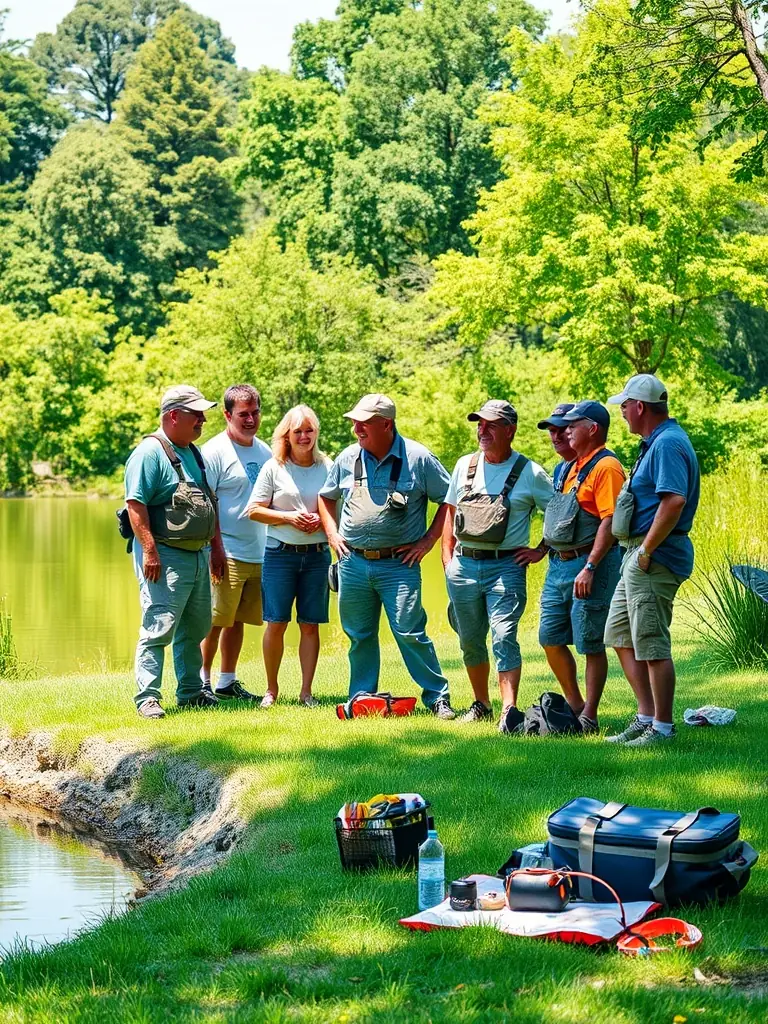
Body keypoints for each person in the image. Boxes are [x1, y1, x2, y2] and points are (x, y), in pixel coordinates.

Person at [317, 393, 456, 718]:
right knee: (359, 635)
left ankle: (438, 697)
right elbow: (326, 498)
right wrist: (333, 534)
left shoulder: (418, 458)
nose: (356, 429)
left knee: (409, 631)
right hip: (352, 563)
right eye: (355, 422)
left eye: (363, 423)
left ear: (386, 424)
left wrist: (427, 541)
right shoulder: (348, 457)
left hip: (399, 565)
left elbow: (450, 500)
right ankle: (363, 698)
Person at [441, 400, 553, 727]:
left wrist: (540, 550)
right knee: (470, 640)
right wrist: (448, 560)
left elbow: (559, 514)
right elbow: (449, 512)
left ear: (510, 430)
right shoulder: (464, 465)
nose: (483, 430)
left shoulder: (530, 473)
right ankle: (481, 704)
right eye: (479, 424)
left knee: (503, 635)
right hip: (463, 567)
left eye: (491, 425)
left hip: (506, 568)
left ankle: (508, 710)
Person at [603, 374, 700, 746]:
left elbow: (673, 501)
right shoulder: (655, 442)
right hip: (638, 553)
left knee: (650, 641)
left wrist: (645, 552)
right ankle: (645, 717)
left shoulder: (668, 444)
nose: (623, 413)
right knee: (621, 634)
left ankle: (662, 727)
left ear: (640, 407)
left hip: (653, 555)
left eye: (625, 406)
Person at [124, 384, 225, 718]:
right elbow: (135, 504)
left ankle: (191, 692)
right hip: (165, 557)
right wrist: (150, 552)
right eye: (195, 415)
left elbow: (210, 502)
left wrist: (216, 549)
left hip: (197, 555)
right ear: (173, 416)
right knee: (158, 627)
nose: (202, 421)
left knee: (195, 628)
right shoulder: (149, 453)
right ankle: (147, 697)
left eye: (202, 414)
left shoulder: (193, 453)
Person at [536, 401, 625, 732]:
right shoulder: (565, 468)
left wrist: (590, 566)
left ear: (593, 429)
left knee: (590, 641)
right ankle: (574, 703)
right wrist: (541, 549)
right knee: (549, 636)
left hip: (591, 564)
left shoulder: (606, 467)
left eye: (571, 426)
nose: (564, 432)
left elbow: (610, 520)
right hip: (558, 565)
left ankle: (590, 713)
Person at [245, 405, 332, 708]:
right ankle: (271, 690)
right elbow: (253, 509)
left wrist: (322, 521)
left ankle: (306, 692)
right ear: (287, 435)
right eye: (298, 431)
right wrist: (289, 518)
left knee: (310, 624)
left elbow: (337, 509)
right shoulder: (274, 467)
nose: (304, 436)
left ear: (316, 433)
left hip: (317, 556)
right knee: (276, 622)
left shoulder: (327, 466)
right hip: (280, 555)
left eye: (309, 430)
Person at [200, 384, 271, 701]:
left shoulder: (265, 451)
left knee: (238, 620)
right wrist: (215, 549)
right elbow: (207, 503)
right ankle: (201, 681)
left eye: (255, 412)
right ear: (227, 415)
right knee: (214, 621)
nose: (251, 419)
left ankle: (226, 682)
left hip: (258, 552)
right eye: (243, 414)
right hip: (225, 551)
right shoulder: (214, 452)